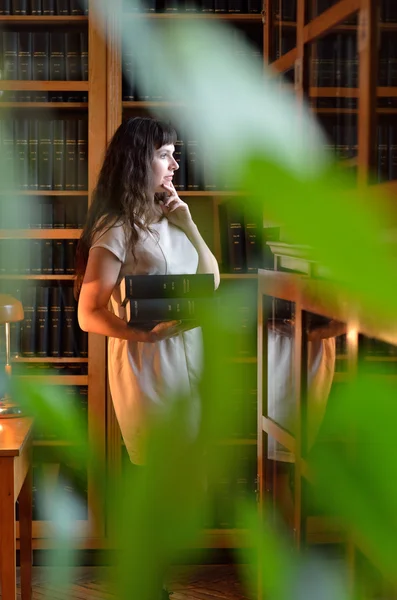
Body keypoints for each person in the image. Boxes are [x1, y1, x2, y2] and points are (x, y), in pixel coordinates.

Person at [75, 116, 220, 467]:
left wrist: (189, 223)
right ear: (139, 161)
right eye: (165, 155)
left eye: (174, 154)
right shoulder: (116, 228)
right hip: (148, 368)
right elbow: (87, 313)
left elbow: (211, 282)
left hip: (190, 361)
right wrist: (145, 338)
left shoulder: (171, 217)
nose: (175, 164)